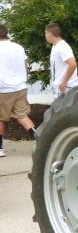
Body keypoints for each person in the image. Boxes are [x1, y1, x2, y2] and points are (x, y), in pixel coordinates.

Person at [0, 24, 37, 157]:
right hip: (20, 86)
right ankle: (39, 139)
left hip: (3, 88)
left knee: (1, 119)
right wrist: (24, 80)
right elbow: (25, 66)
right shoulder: (19, 47)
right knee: (22, 115)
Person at [44, 23, 78, 98]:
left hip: (67, 89)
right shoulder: (55, 46)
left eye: (45, 33)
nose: (45, 35)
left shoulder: (62, 47)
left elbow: (72, 64)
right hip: (60, 89)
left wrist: (64, 83)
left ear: (50, 34)